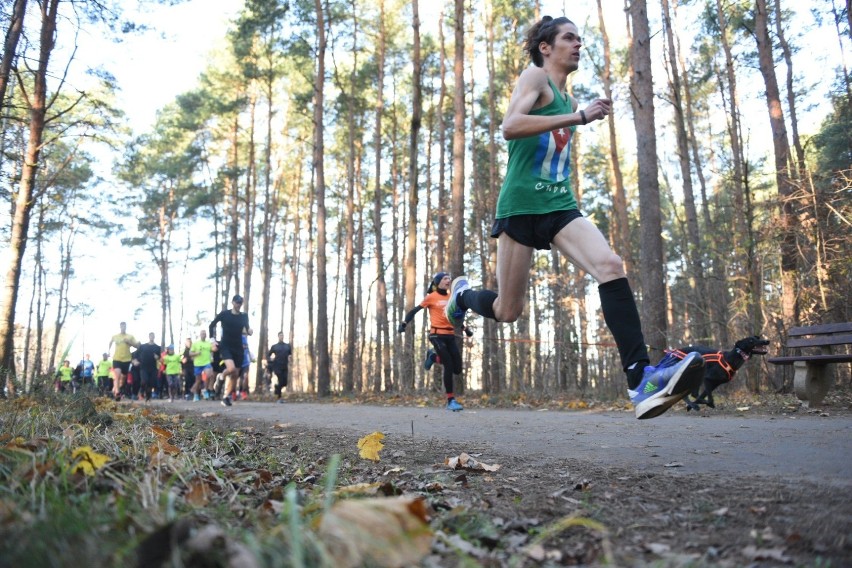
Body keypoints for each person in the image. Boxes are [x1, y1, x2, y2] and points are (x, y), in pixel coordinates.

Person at [443, 15, 705, 420]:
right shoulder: (535, 78)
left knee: (610, 265)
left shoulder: (566, 98)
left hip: (560, 206)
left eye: (580, 39)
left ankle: (639, 379)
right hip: (521, 206)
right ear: (546, 47)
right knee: (508, 311)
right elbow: (511, 126)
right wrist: (579, 117)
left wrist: (579, 113)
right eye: (569, 38)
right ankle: (461, 296)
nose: (578, 45)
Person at [398, 272, 468, 411]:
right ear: (438, 282)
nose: (448, 280)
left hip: (450, 335)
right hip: (436, 335)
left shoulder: (451, 297)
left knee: (457, 369)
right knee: (448, 364)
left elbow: (454, 317)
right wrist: (404, 323)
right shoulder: (431, 297)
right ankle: (450, 401)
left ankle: (433, 357)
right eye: (445, 278)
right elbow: (414, 311)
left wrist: (465, 329)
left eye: (449, 278)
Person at [209, 294, 252, 407]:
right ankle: (221, 377)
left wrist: (250, 331)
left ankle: (226, 397)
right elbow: (211, 325)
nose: (239, 305)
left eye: (240, 303)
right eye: (237, 302)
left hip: (238, 347)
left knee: (235, 373)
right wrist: (212, 341)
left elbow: (247, 329)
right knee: (231, 368)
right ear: (233, 302)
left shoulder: (244, 316)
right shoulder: (225, 314)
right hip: (226, 345)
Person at [108, 322, 140, 401]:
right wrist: (109, 351)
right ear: (120, 327)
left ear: (126, 327)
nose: (123, 328)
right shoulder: (115, 336)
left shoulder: (130, 336)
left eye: (124, 326)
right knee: (117, 376)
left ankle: (115, 389)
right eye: (122, 326)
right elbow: (110, 342)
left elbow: (137, 346)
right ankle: (117, 393)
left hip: (126, 359)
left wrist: (129, 342)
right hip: (117, 358)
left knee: (123, 378)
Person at [134, 332, 162, 402]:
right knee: (144, 381)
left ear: (154, 337)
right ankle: (141, 391)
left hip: (153, 368)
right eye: (151, 336)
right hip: (144, 367)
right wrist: (135, 361)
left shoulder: (157, 347)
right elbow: (136, 354)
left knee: (151, 383)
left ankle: (148, 397)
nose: (152, 337)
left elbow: (160, 357)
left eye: (153, 336)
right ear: (149, 337)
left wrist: (157, 357)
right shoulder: (143, 346)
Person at [267, 331, 292, 403]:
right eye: (280, 335)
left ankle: (276, 388)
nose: (282, 337)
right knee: (280, 380)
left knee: (285, 382)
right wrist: (270, 360)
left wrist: (290, 357)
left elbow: (290, 354)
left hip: (285, 365)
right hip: (277, 366)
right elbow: (269, 355)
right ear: (278, 336)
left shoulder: (287, 346)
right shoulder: (274, 346)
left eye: (282, 335)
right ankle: (279, 398)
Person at [189, 330, 214, 401]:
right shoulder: (195, 343)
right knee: (198, 380)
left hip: (206, 363)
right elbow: (190, 353)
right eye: (202, 333)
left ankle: (205, 390)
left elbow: (212, 351)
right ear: (200, 335)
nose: (203, 335)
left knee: (209, 375)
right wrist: (196, 353)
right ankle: (196, 395)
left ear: (206, 335)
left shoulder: (208, 343)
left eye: (205, 334)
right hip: (198, 364)